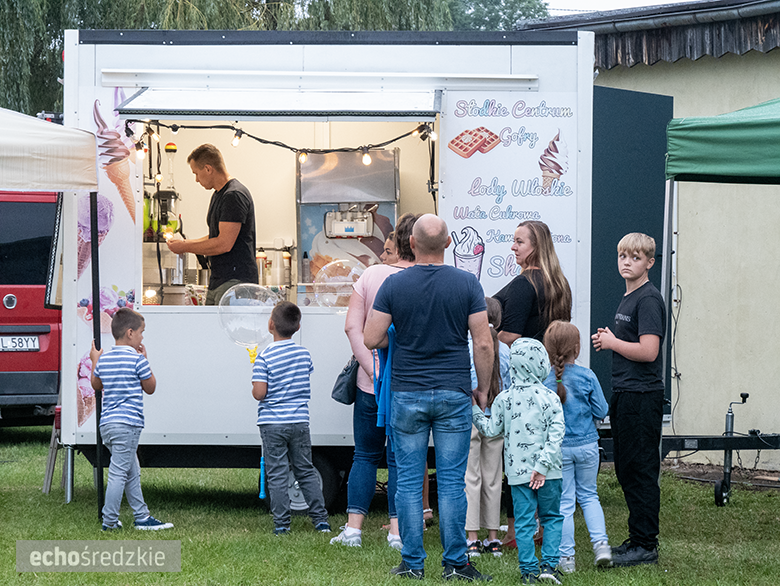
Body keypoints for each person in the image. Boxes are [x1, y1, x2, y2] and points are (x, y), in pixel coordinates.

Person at [364, 214, 494, 581]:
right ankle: (456, 562)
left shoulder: (394, 284)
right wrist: (482, 388)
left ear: (412, 244)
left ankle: (412, 563)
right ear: (449, 243)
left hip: (407, 393)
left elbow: (371, 337)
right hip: (454, 392)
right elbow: (483, 342)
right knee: (452, 481)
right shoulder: (468, 283)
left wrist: (403, 339)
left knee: (406, 482)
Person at [331, 214, 417, 550]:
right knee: (399, 459)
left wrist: (372, 371)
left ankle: (353, 530)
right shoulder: (430, 277)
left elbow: (353, 327)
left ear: (398, 245)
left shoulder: (371, 275)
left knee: (365, 455)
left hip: (371, 384)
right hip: (410, 385)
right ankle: (397, 532)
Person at [492, 220, 572, 548]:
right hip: (549, 380)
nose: (513, 247)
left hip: (523, 382)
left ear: (535, 246)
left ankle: (517, 531)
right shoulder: (559, 284)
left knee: (518, 455)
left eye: (519, 242)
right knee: (544, 455)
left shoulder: (526, 284)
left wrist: (487, 337)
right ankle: (543, 523)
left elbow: (510, 335)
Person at [592, 233, 665, 567]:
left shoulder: (648, 299)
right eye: (622, 256)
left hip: (641, 396)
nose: (626, 262)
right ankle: (637, 539)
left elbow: (649, 351)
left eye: (635, 257)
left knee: (640, 471)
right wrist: (612, 339)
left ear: (649, 262)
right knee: (626, 469)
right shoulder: (629, 296)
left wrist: (611, 343)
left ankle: (645, 545)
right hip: (625, 393)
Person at [472, 338, 565, 585]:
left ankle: (528, 571)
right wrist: (543, 466)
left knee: (524, 522)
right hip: (550, 473)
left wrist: (474, 409)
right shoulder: (550, 397)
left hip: (518, 474)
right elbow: (556, 435)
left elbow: (491, 430)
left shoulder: (504, 399)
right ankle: (550, 566)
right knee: (552, 517)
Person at [89, 308, 173, 531]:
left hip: (107, 424)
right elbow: (151, 387)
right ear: (130, 333)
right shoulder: (137, 359)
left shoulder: (105, 359)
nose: (142, 337)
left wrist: (95, 361)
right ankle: (109, 521)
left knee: (131, 471)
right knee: (118, 473)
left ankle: (142, 516)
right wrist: (146, 360)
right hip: (128, 425)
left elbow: (96, 385)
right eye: (141, 332)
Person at [252, 301, 330, 535]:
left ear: (270, 324)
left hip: (272, 423)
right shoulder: (304, 354)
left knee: (277, 472)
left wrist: (255, 376)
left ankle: (282, 524)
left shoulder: (264, 356)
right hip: (299, 420)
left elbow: (260, 393)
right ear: (297, 327)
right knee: (305, 469)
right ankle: (321, 521)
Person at [543, 320, 611, 573]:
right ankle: (602, 546)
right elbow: (602, 410)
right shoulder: (588, 376)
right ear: (578, 348)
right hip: (587, 446)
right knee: (590, 496)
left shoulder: (544, 382)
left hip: (559, 449)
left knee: (565, 503)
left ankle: (567, 559)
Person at [167, 143, 258, 305]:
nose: (196, 180)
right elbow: (215, 236)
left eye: (196, 173)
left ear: (208, 169)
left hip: (235, 283)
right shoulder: (219, 195)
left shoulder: (234, 195)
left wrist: (185, 247)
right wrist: (184, 243)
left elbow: (224, 243)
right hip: (219, 280)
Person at [465, 297, 511, 559]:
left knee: (471, 476)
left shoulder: (469, 347)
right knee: (493, 478)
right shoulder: (506, 349)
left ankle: (472, 539)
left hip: (471, 417)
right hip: (497, 420)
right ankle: (493, 539)